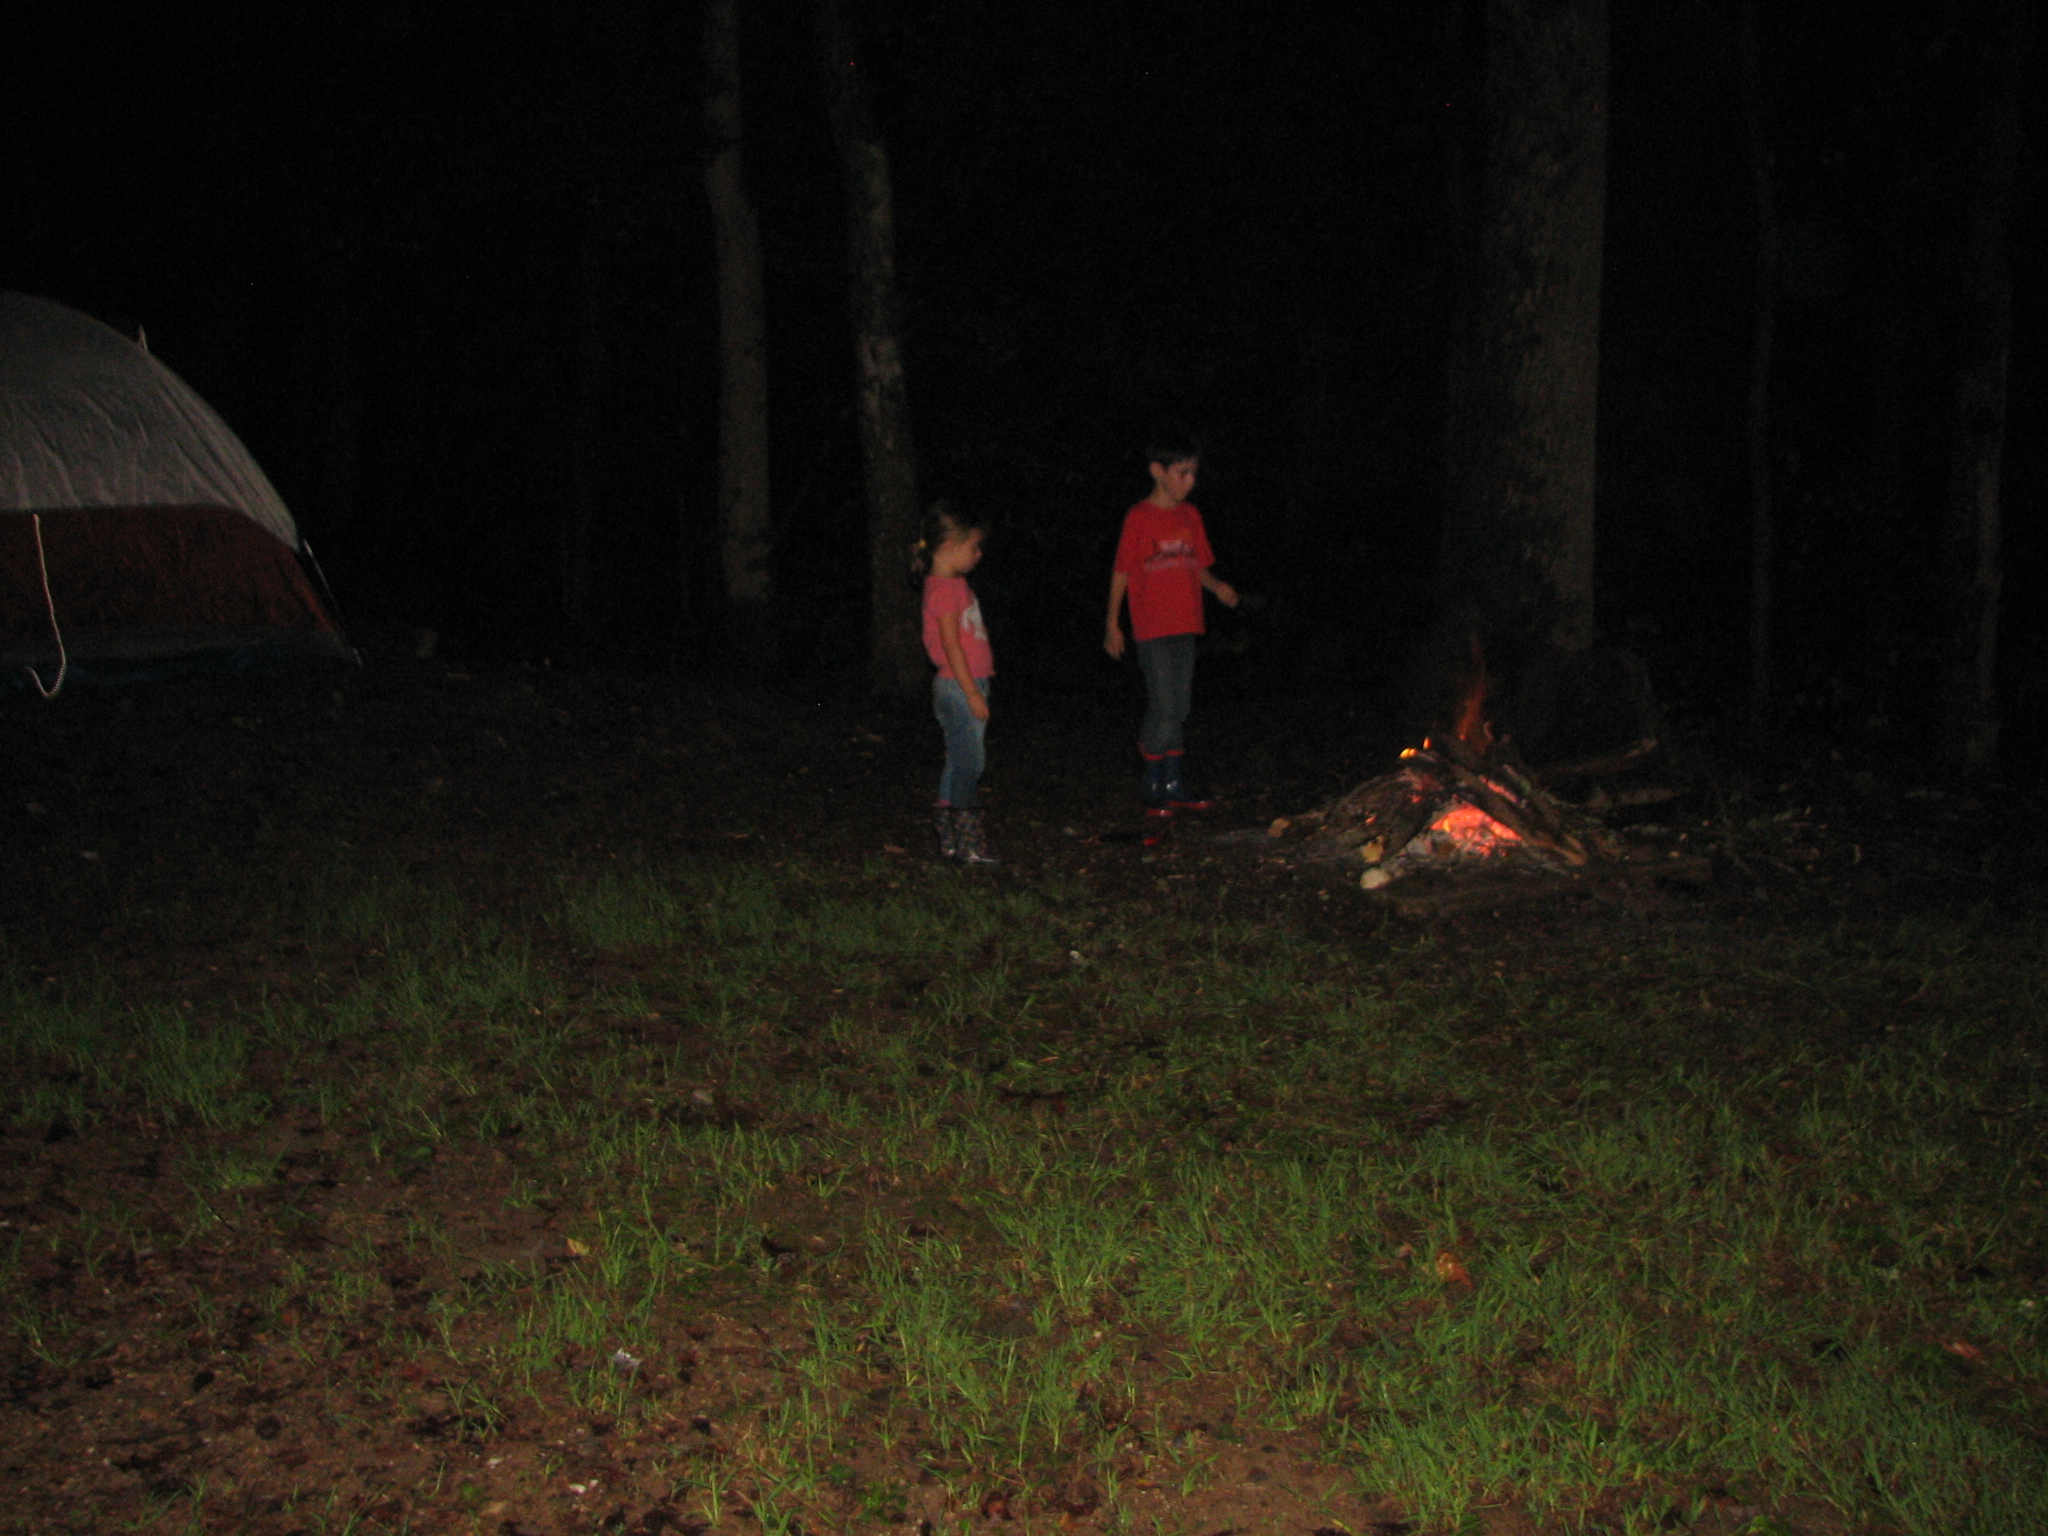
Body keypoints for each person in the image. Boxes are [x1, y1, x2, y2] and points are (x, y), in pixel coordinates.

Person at [1104, 442, 1238, 814]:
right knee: (1163, 705)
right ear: (1158, 471)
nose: (1190, 481)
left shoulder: (1190, 515)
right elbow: (1122, 571)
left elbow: (1197, 565)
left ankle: (1174, 783)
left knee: (1180, 706)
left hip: (1186, 622)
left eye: (1194, 473)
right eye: (1182, 473)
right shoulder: (1139, 517)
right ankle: (1152, 781)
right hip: (1153, 626)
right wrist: (1112, 624)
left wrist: (1217, 587)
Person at [914, 503, 1000, 865]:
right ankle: (970, 843)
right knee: (969, 765)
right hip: (960, 686)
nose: (978, 554)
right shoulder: (945, 589)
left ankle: (949, 839)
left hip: (962, 684)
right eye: (973, 547)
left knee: (958, 761)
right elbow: (951, 646)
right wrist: (972, 694)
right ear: (949, 545)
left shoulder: (950, 585)